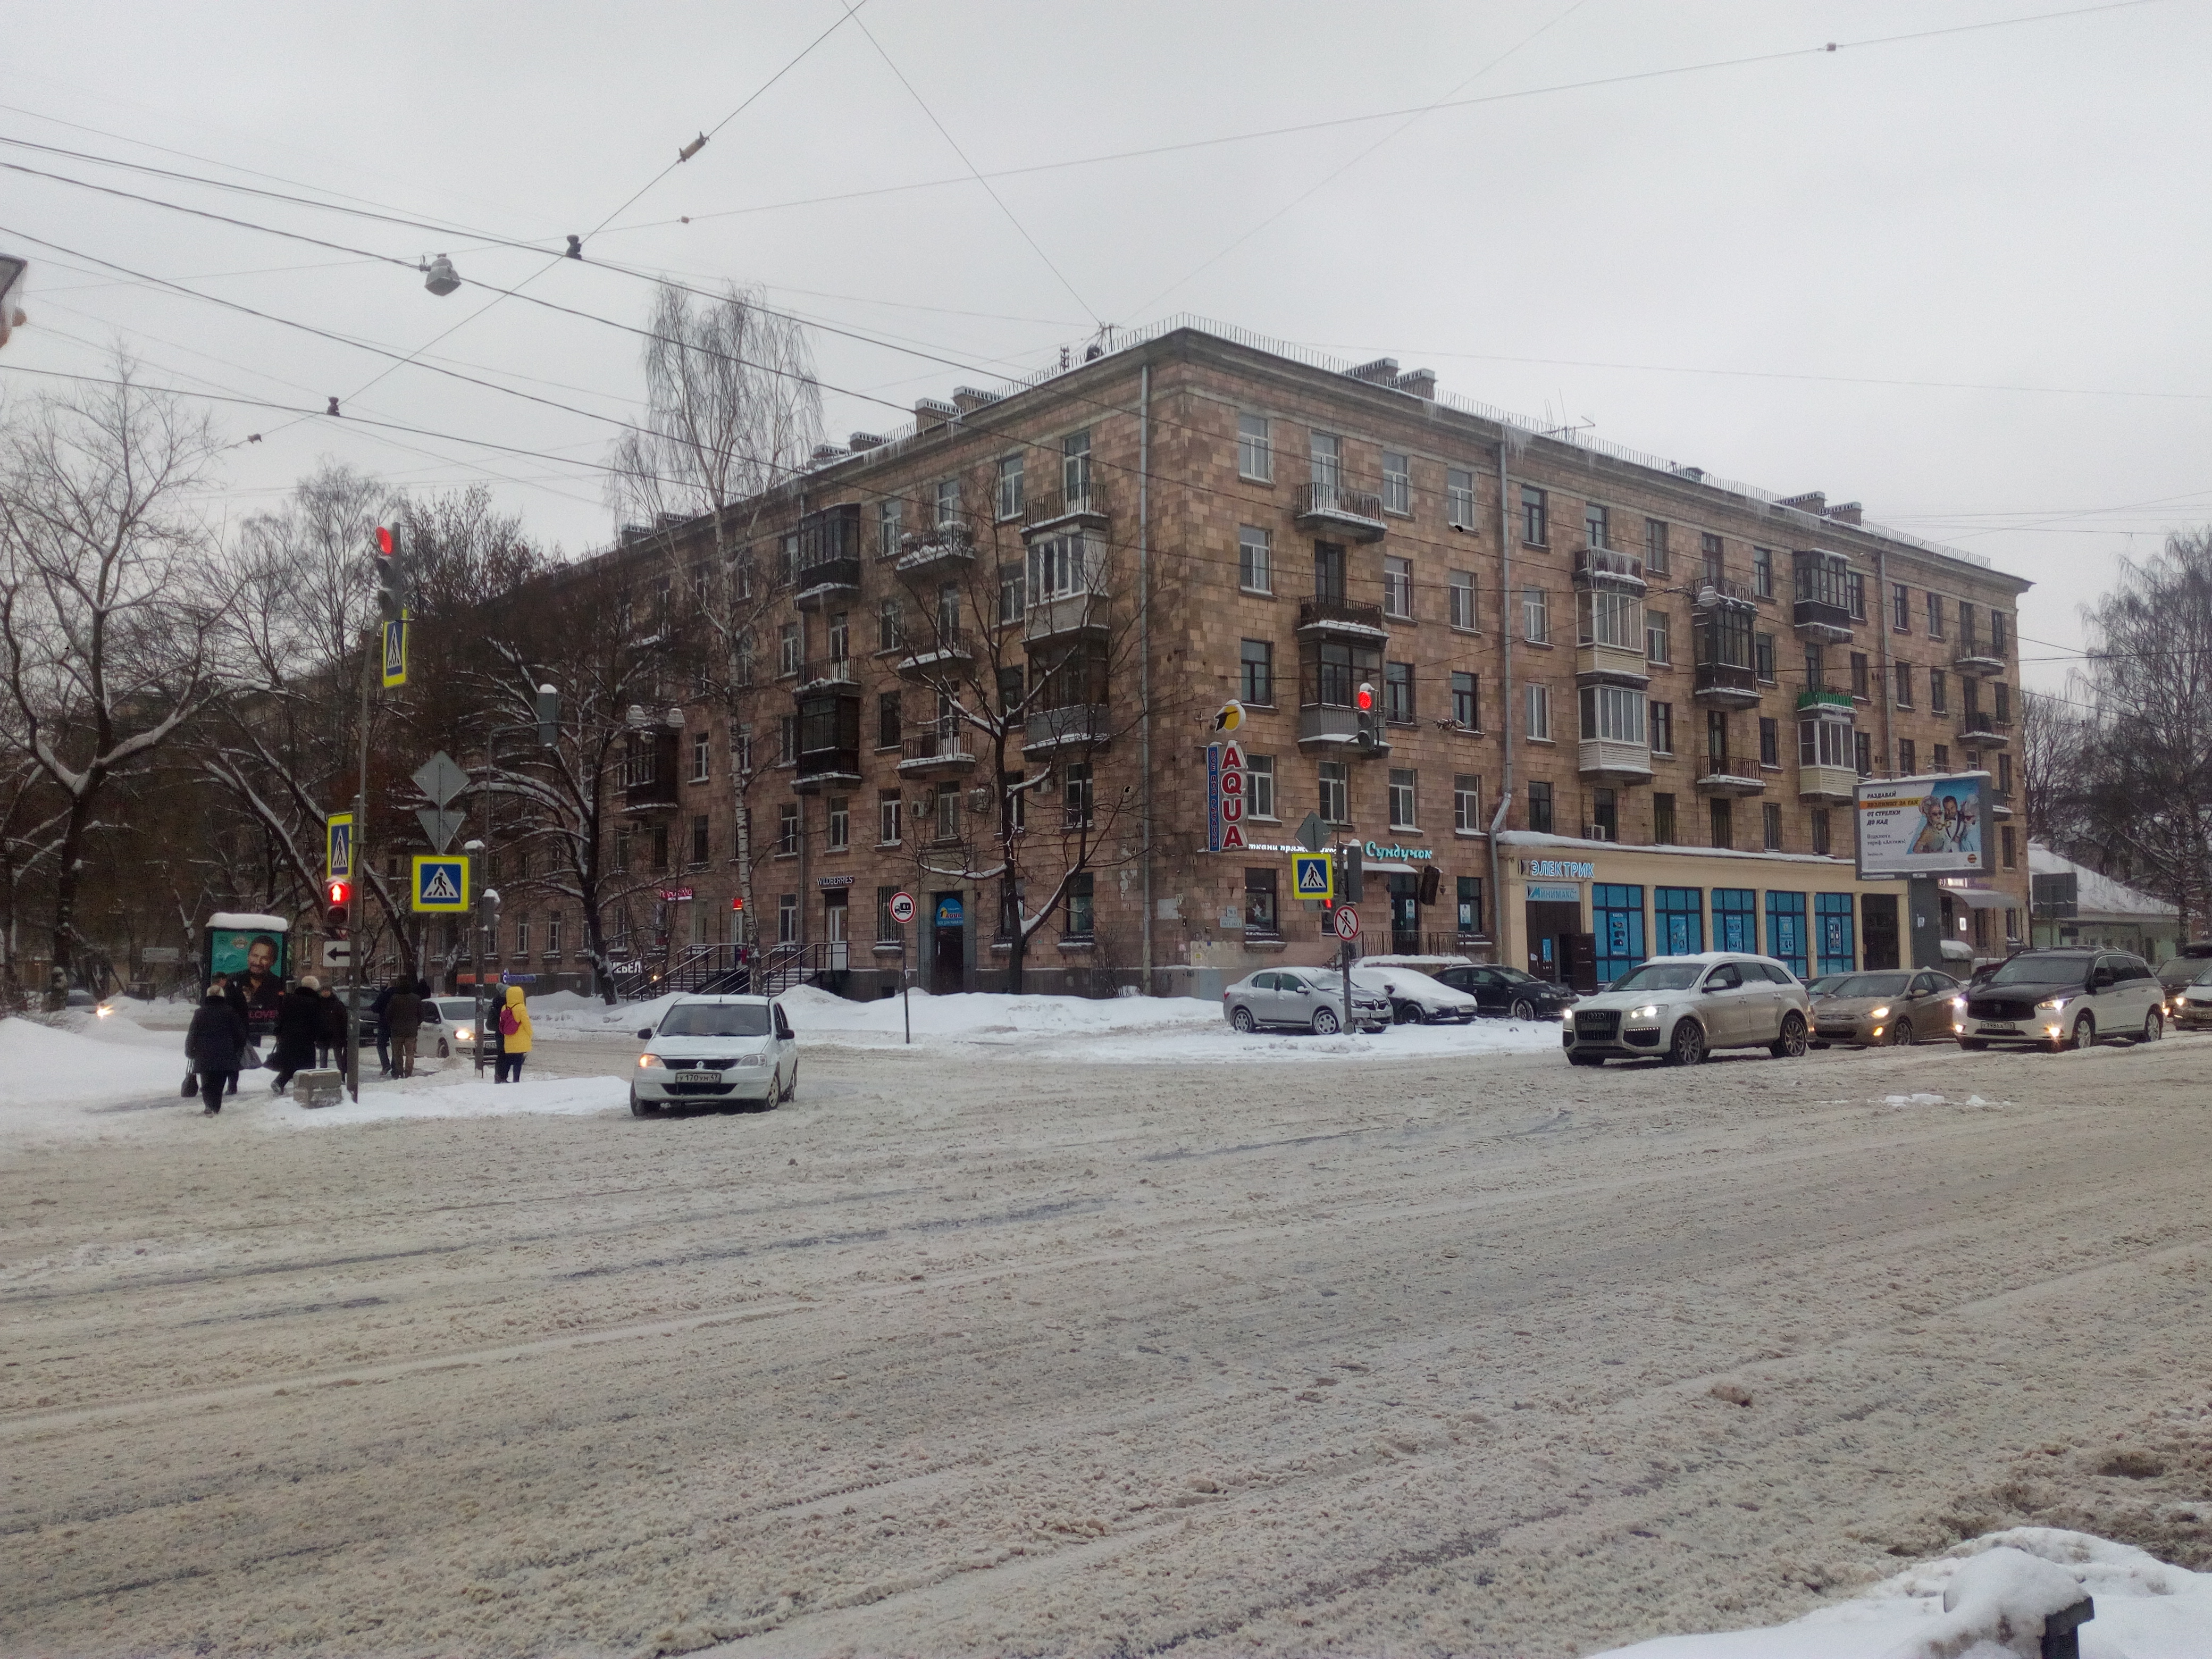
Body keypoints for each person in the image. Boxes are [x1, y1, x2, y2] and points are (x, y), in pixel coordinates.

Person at [183, 984, 247, 1116]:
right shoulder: (230, 1012)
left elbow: (193, 1033)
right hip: (225, 1054)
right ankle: (215, 1107)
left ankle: (209, 1105)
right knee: (219, 1082)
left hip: (204, 1054)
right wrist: (237, 1049)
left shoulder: (200, 1013)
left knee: (207, 1082)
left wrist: (190, 1050)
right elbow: (239, 1034)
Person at [225, 936, 286, 1068]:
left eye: (265, 958)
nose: (258, 962)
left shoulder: (278, 985)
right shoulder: (232, 980)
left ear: (273, 961)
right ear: (248, 956)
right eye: (255, 956)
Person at [268, 975, 323, 1094]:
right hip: (305, 1040)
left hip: (287, 1037)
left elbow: (280, 1018)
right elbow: (317, 1022)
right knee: (307, 1066)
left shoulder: (289, 999)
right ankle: (305, 1090)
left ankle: (280, 1082)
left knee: (291, 1063)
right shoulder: (314, 1002)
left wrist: (279, 1031)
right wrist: (319, 1037)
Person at [493, 983, 532, 1083]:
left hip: (508, 1039)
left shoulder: (504, 1008)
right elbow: (526, 1023)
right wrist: (530, 1033)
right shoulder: (521, 1008)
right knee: (518, 1060)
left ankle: (501, 1076)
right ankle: (516, 1080)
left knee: (509, 1059)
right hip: (520, 1039)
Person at [387, 979, 423, 1078]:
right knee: (410, 1053)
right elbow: (421, 1014)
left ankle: (399, 1072)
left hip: (397, 1031)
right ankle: (408, 1072)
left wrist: (392, 1024)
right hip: (411, 1031)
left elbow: (389, 1014)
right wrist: (416, 1024)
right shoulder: (416, 998)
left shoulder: (395, 998)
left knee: (397, 1054)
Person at [370, 976, 401, 1076]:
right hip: (397, 1024)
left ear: (390, 985)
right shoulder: (401, 996)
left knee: (381, 1045)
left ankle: (386, 1065)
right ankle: (395, 1067)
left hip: (384, 1024)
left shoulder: (384, 995)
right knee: (396, 1047)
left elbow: (375, 1008)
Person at [314, 981, 347, 1069]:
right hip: (323, 1034)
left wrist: (343, 1034)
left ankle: (341, 1073)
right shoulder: (318, 1004)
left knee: (338, 1056)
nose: (325, 993)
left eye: (327, 991)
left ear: (330, 991)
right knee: (323, 1055)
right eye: (323, 991)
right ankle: (323, 1073)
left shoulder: (337, 1004)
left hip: (336, 1034)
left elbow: (343, 1019)